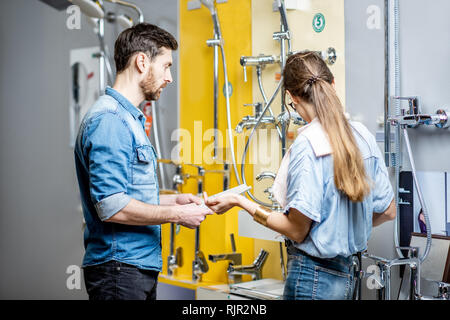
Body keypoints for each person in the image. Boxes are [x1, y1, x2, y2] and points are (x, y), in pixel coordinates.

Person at [203, 51, 396, 300]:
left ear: (292, 97)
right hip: (349, 276)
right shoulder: (362, 136)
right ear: (332, 84)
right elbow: (389, 210)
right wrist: (344, 227)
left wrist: (240, 201)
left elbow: (296, 230)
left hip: (313, 277)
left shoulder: (308, 145)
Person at [74, 23, 213, 300]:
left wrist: (175, 201)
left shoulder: (129, 119)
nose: (169, 77)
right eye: (166, 66)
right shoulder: (110, 120)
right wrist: (178, 216)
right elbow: (112, 207)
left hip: (132, 269)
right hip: (119, 271)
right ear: (141, 62)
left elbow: (129, 195)